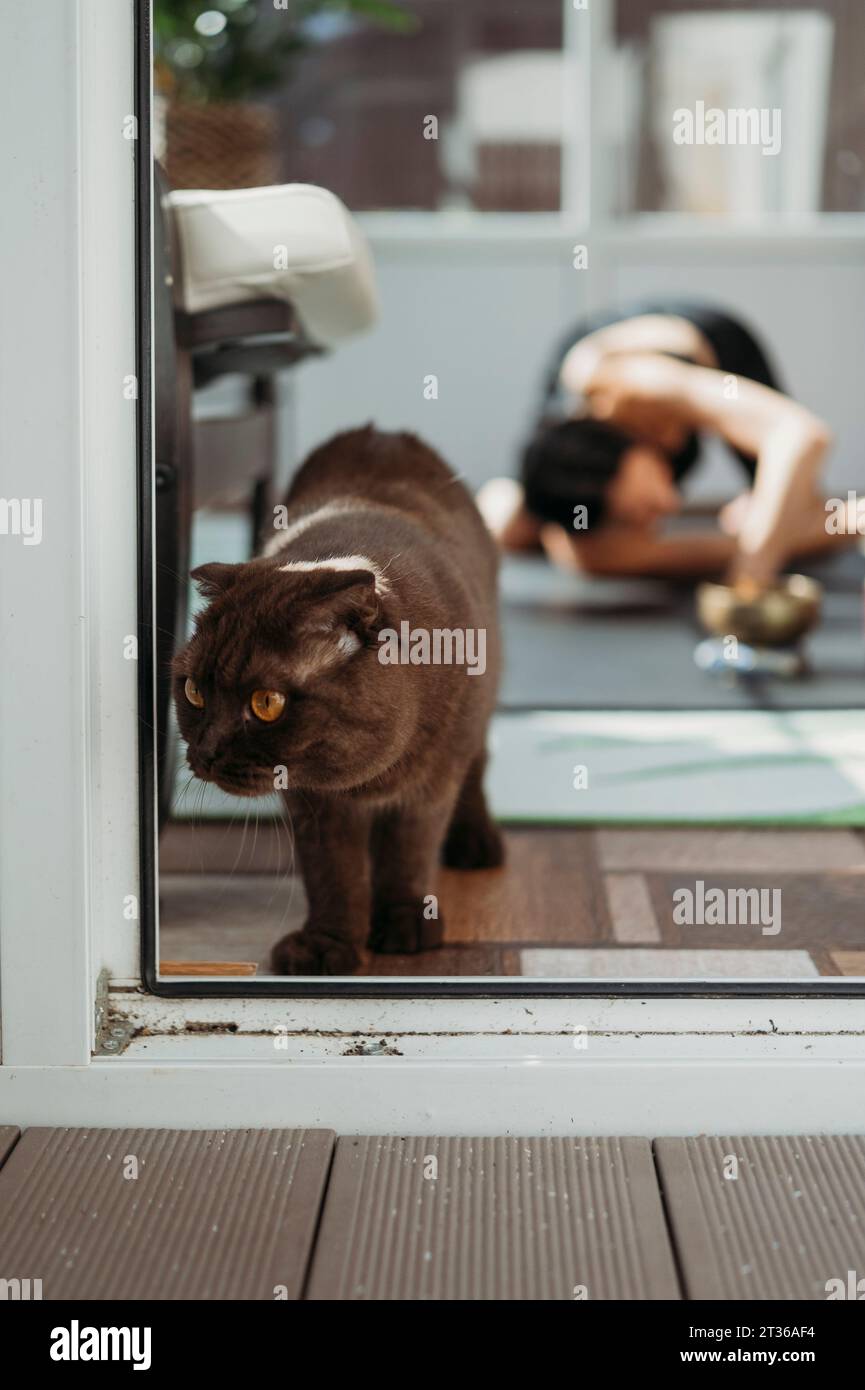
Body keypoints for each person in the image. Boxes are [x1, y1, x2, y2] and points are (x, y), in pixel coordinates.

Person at [479, 301, 854, 588]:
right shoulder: (563, 484)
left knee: (791, 506)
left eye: (645, 504)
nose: (672, 505)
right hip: (581, 442)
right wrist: (749, 539)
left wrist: (752, 570)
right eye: (639, 516)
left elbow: (803, 434)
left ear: (629, 449)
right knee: (514, 526)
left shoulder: (640, 386)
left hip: (719, 345)